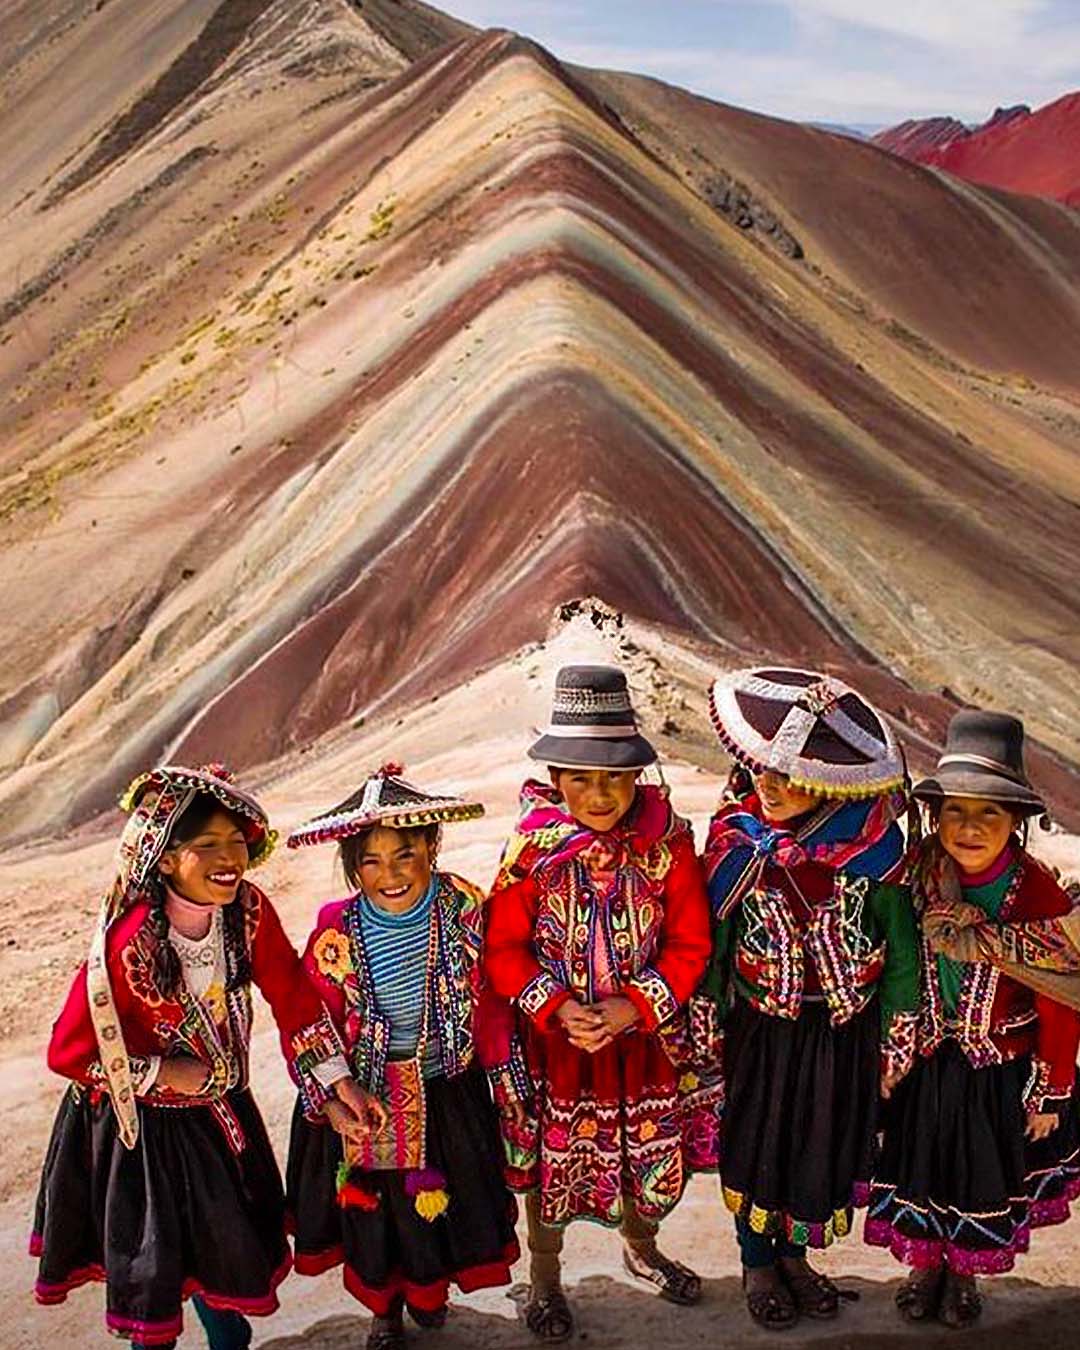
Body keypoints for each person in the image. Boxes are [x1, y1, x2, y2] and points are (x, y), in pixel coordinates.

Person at [31, 763, 364, 1348]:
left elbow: (293, 996)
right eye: (206, 844)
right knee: (156, 1273)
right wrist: (163, 1072)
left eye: (237, 842)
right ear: (164, 857)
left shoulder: (247, 913)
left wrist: (338, 1083)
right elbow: (68, 1053)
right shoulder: (127, 940)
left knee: (224, 1259)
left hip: (219, 1117)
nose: (229, 857)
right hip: (143, 1136)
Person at [484, 665, 721, 1343]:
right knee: (553, 1164)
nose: (598, 792)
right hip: (556, 1046)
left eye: (613, 777)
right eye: (581, 777)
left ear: (637, 777)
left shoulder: (668, 844)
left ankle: (642, 1247)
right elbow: (504, 949)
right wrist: (555, 1007)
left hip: (641, 1043)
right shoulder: (532, 850)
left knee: (645, 1155)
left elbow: (690, 941)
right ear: (555, 778)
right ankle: (547, 1276)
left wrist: (636, 1007)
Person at [702, 667, 920, 1330]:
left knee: (817, 1144)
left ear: (829, 780)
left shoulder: (876, 850)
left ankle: (795, 1256)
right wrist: (705, 1022)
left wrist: (897, 1032)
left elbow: (901, 949)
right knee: (757, 1140)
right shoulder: (739, 842)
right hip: (761, 1031)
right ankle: (756, 1262)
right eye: (763, 770)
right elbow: (717, 940)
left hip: (841, 1032)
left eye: (788, 776)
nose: (768, 785)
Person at [285, 765, 521, 1350]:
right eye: (370, 860)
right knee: (377, 1212)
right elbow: (309, 1015)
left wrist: (506, 1078)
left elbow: (491, 1001)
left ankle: (428, 1293)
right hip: (366, 1093)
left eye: (404, 854)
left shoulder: (466, 906)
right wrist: (328, 1097)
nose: (389, 874)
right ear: (351, 865)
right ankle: (385, 1308)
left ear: (432, 846)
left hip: (445, 1088)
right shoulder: (335, 927)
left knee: (440, 1206)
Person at [866, 710, 1080, 1327]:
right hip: (927, 1062)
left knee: (975, 1176)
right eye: (955, 810)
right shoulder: (917, 877)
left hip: (997, 1073)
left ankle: (962, 1277)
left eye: (989, 812)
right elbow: (895, 965)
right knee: (921, 1168)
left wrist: (1051, 1092)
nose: (969, 826)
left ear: (1017, 820)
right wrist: (889, 1051)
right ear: (935, 816)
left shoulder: (1037, 894)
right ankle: (924, 1267)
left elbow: (1061, 998)